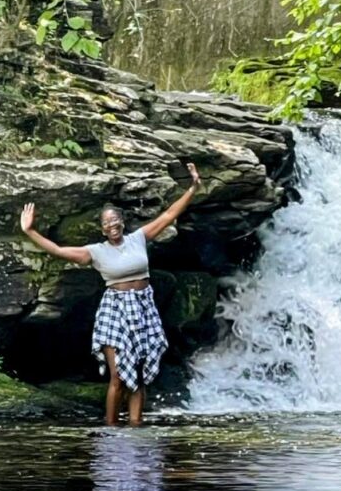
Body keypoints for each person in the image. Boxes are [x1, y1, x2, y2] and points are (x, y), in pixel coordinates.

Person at [19, 162, 203, 425]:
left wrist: (193, 189)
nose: (112, 224)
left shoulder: (138, 238)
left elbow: (168, 216)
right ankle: (111, 428)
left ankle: (136, 428)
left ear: (121, 222)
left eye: (115, 219)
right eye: (107, 222)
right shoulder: (95, 251)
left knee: (137, 373)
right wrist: (30, 231)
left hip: (143, 308)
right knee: (118, 376)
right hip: (115, 311)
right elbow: (59, 251)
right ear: (103, 228)